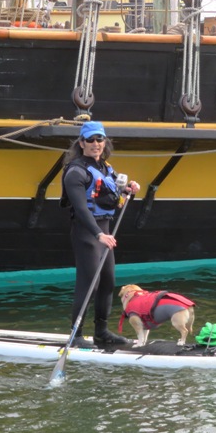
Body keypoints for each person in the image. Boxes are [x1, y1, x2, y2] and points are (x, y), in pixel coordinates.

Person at [60, 121, 141, 348]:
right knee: (89, 284)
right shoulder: (75, 172)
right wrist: (98, 235)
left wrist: (127, 189)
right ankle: (75, 336)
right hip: (87, 232)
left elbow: (110, 194)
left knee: (107, 282)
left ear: (105, 142)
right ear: (81, 143)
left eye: (99, 139)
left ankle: (101, 333)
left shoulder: (106, 167)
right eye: (90, 140)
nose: (96, 144)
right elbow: (80, 208)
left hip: (105, 230)